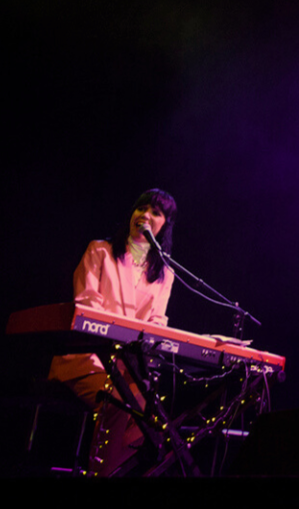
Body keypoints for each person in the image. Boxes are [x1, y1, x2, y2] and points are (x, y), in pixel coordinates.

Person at [49, 190, 177, 475]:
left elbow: (157, 322)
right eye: (141, 208)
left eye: (155, 213)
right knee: (120, 403)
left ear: (165, 225)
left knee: (154, 421)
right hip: (87, 360)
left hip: (127, 369)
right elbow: (87, 307)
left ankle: (103, 471)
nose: (145, 215)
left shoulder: (164, 273)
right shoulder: (100, 251)